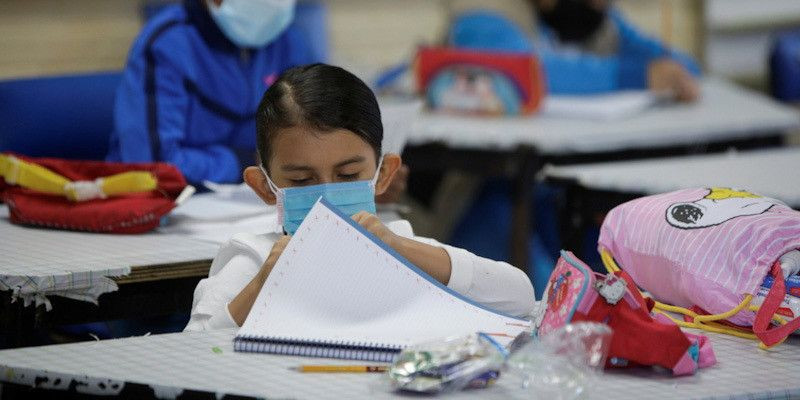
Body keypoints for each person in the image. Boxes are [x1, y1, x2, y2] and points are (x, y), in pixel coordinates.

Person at [184, 64, 535, 330]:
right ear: (264, 186)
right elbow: (189, 350)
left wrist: (400, 249)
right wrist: (264, 284)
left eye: (348, 176)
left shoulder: (403, 247)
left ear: (383, 175)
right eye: (302, 180)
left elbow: (518, 296)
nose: (325, 197)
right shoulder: (253, 261)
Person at [107, 0, 321, 184]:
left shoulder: (288, 40)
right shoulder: (166, 45)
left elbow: (312, 136)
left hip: (256, 202)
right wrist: (242, 163)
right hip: (169, 208)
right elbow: (153, 165)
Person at [448, 0, 701, 101]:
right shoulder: (482, 13)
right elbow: (526, 72)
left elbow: (680, 65)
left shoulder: (596, 18)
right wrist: (636, 76)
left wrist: (673, 74)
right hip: (478, 191)